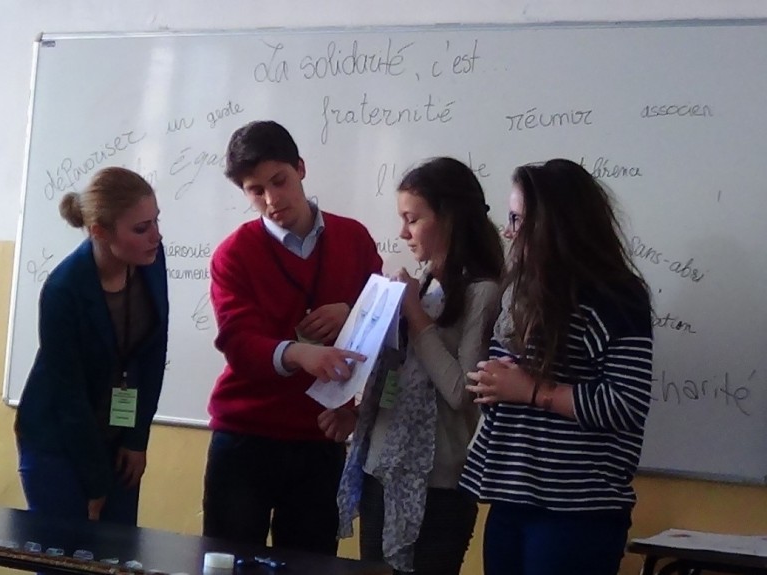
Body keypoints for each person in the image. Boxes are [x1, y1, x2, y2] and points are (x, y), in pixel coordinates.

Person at [461, 159, 654, 575]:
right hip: (512, 496)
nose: (508, 232)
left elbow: (626, 404)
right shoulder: (519, 294)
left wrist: (531, 391)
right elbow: (507, 386)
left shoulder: (614, 297)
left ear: (554, 225)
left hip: (576, 510)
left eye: (518, 219)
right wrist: (491, 386)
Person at [203, 120, 382, 555]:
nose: (271, 199)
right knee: (230, 562)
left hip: (320, 438)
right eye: (255, 190)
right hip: (245, 436)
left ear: (300, 168)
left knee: (310, 563)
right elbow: (239, 342)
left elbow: (386, 324)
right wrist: (300, 354)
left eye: (279, 181)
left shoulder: (353, 238)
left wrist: (352, 313)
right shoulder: (233, 254)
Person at [335, 157, 504, 574]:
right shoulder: (424, 284)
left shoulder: (482, 292)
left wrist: (414, 313)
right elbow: (396, 374)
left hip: (439, 487)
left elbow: (461, 393)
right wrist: (354, 408)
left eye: (413, 219)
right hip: (382, 469)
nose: (403, 233)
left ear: (449, 218)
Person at [15, 166, 168, 527]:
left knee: (117, 551)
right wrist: (96, 482)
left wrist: (136, 439)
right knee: (66, 548)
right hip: (59, 440)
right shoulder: (63, 290)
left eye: (156, 221)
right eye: (141, 228)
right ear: (99, 231)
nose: (156, 236)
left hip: (116, 433)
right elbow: (68, 394)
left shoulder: (150, 259)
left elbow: (153, 353)